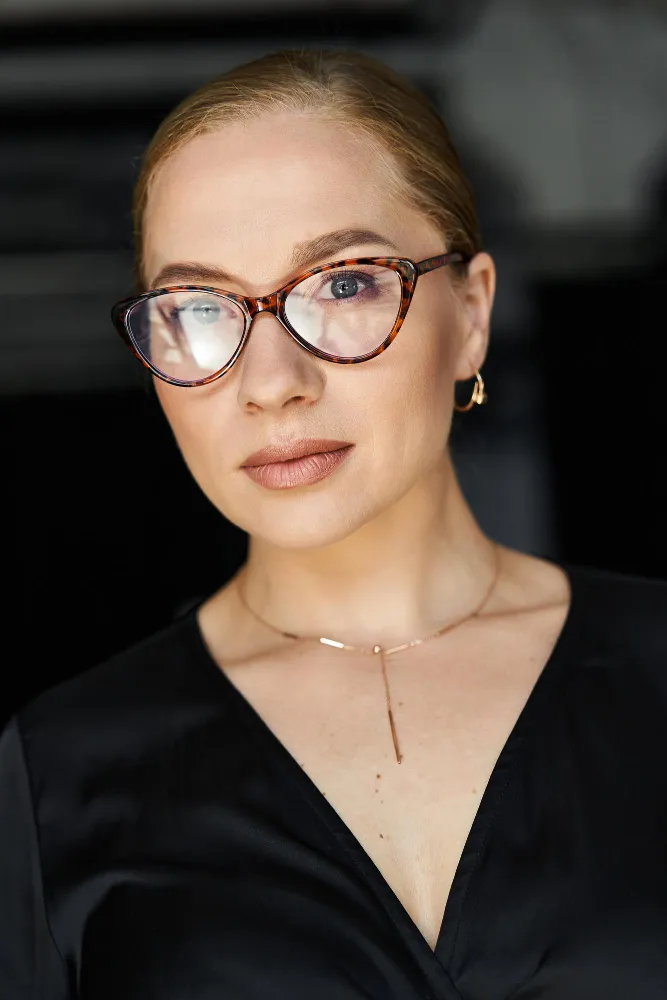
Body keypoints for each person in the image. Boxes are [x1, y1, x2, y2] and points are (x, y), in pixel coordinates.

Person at [1, 49, 666, 1000]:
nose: (272, 383)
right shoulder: (54, 774)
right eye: (196, 307)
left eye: (344, 283)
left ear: (471, 312)